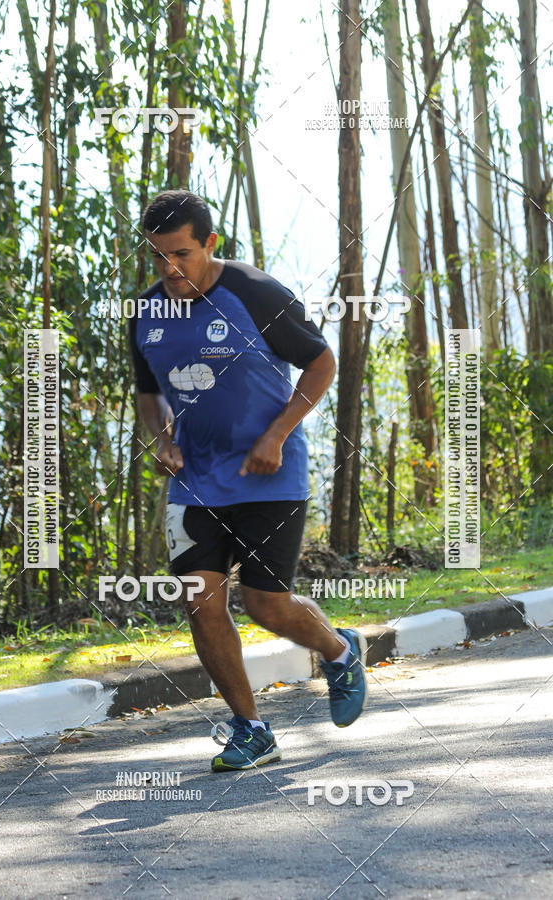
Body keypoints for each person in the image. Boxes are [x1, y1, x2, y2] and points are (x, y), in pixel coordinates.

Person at [129, 189, 367, 772]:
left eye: (181, 254)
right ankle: (251, 728)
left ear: (210, 243)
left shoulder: (256, 294)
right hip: (196, 484)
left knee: (266, 605)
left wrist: (277, 433)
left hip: (270, 476)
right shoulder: (144, 314)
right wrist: (162, 439)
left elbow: (321, 362)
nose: (169, 269)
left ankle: (338, 651)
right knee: (201, 603)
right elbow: (146, 392)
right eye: (158, 256)